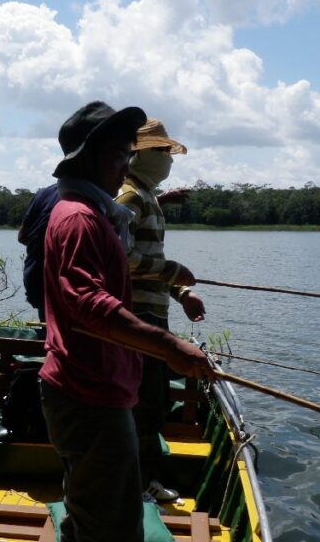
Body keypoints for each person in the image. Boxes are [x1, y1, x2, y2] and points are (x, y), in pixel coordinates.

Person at [38, 101, 215, 542]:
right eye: (118, 155)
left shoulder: (91, 212)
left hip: (94, 387)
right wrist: (171, 347)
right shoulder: (80, 218)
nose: (125, 166)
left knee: (90, 508)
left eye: (127, 155)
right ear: (87, 158)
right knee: (114, 526)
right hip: (89, 393)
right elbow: (89, 306)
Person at [115, 118, 204, 503]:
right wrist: (172, 272)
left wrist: (182, 292)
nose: (169, 160)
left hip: (153, 312)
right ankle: (136, 485)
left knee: (152, 402)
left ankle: (144, 479)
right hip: (136, 318)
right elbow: (118, 256)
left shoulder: (148, 196)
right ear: (140, 153)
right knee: (143, 403)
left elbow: (151, 258)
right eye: (162, 151)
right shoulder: (128, 196)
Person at [17, 183, 60, 321]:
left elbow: (22, 237)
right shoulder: (92, 196)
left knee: (48, 334)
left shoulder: (44, 193)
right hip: (61, 289)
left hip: (36, 281)